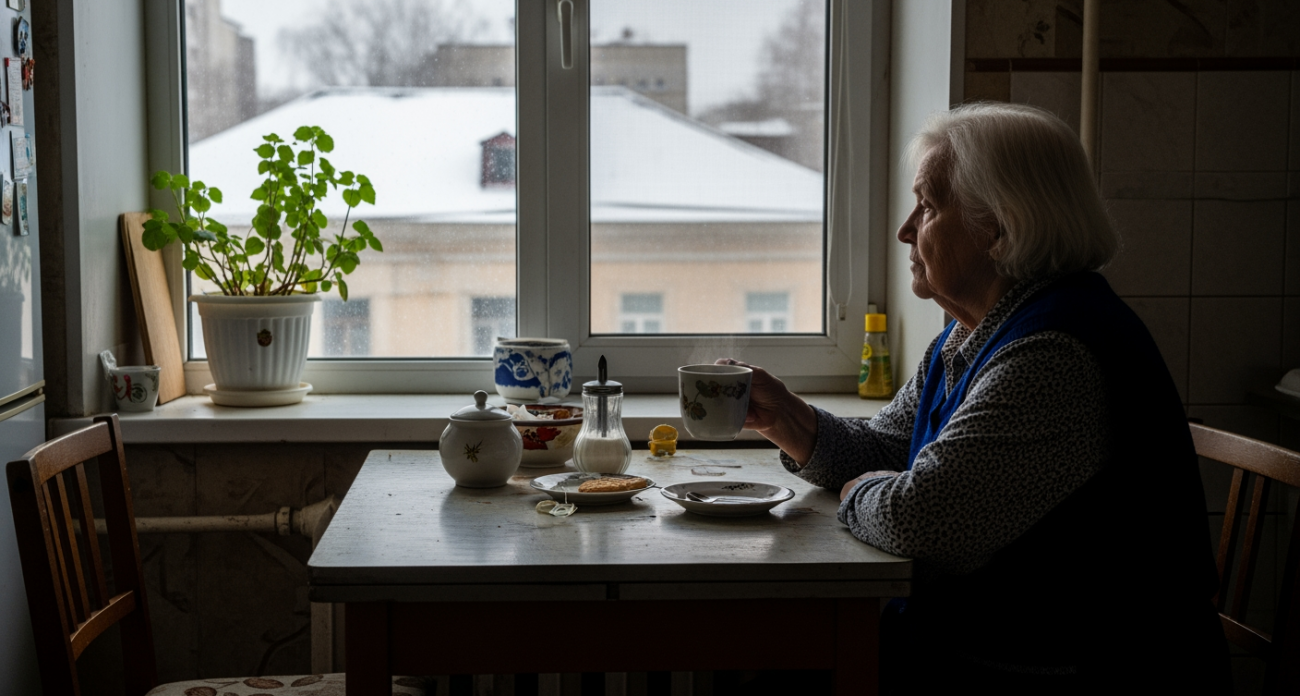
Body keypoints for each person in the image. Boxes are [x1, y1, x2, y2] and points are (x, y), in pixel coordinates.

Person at [721, 103, 1229, 694]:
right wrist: (790, 420)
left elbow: (924, 520)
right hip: (985, 651)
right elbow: (887, 445)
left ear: (1001, 226)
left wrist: (860, 495)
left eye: (929, 207)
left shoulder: (1054, 354)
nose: (906, 230)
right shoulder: (971, 333)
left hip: (1075, 674)